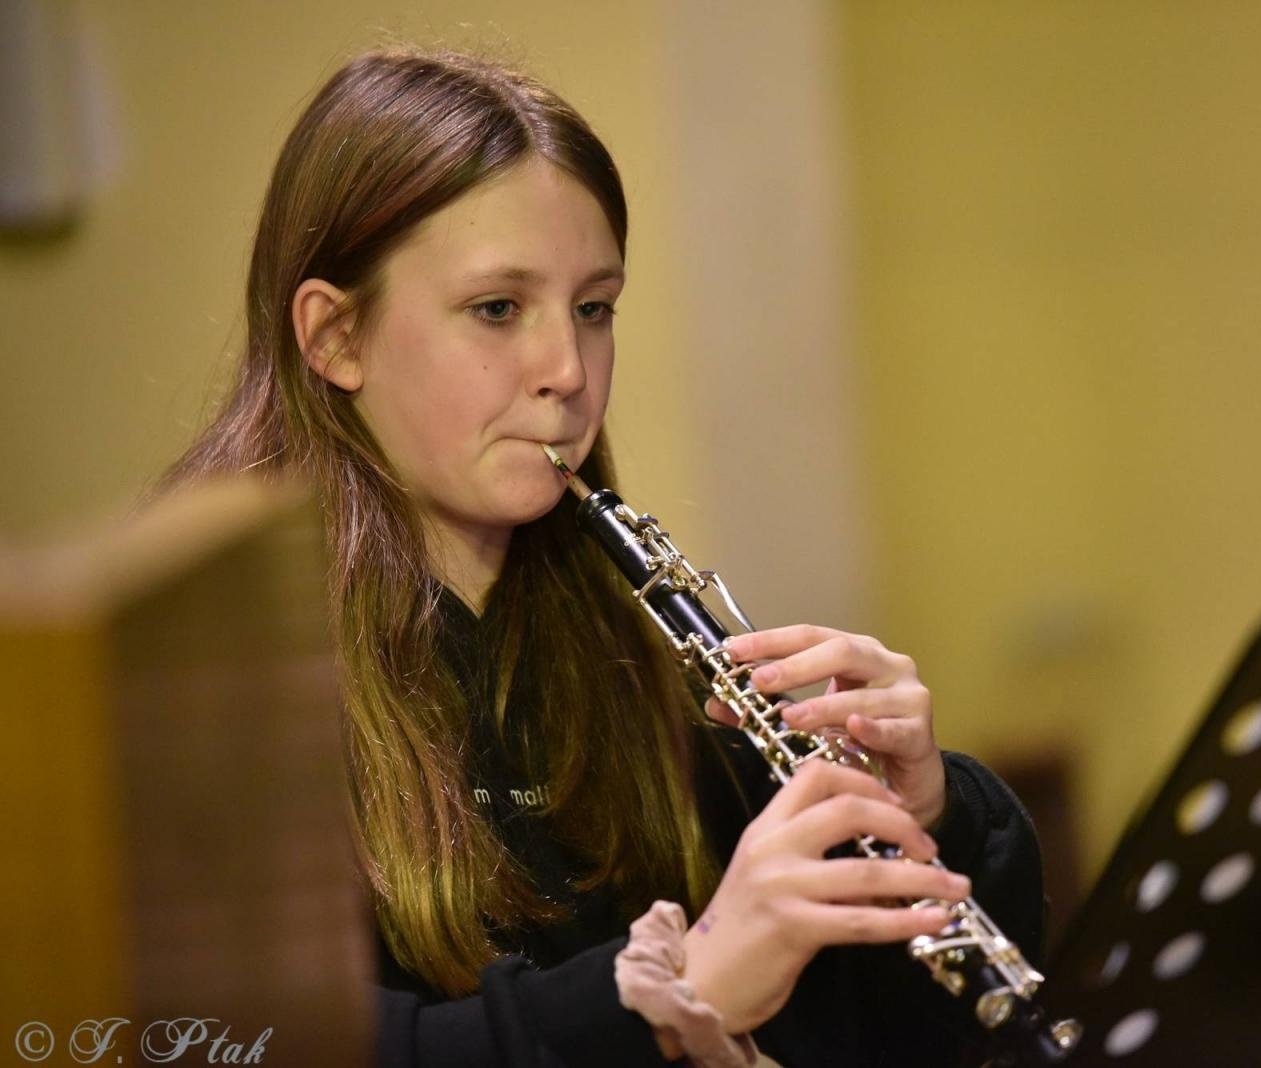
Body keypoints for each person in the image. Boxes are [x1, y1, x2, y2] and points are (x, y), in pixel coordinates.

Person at [161, 46, 1045, 1067]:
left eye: (593, 307)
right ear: (335, 336)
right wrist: (679, 990)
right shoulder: (210, 688)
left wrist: (926, 815)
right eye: (498, 309)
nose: (568, 372)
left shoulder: (636, 646)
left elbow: (883, 1037)